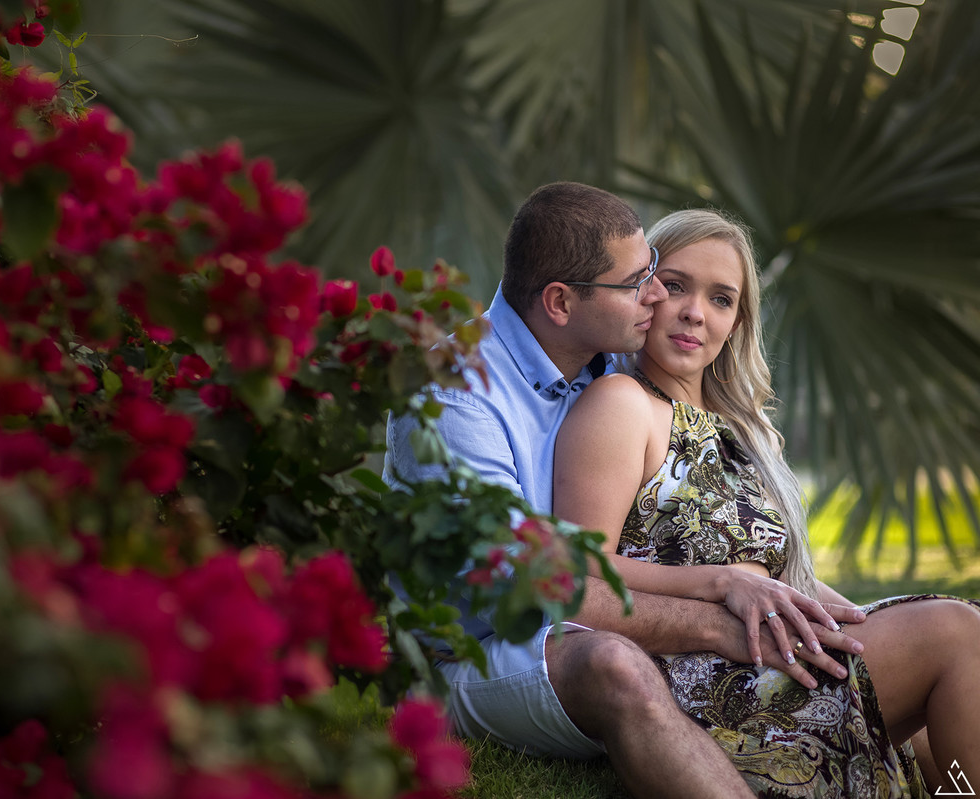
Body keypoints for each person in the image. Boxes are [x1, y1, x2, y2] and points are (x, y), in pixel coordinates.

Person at [385, 183, 866, 798]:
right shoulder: (455, 397)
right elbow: (533, 590)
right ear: (561, 302)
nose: (657, 296)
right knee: (614, 663)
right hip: (472, 656)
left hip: (579, 621)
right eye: (639, 282)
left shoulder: (608, 361)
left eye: (653, 272)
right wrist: (717, 614)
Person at [553, 207, 980, 797]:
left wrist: (862, 620)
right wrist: (719, 581)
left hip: (782, 653)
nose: (695, 312)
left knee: (942, 728)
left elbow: (779, 576)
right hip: (715, 681)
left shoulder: (743, 430)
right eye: (675, 285)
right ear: (643, 293)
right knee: (956, 632)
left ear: (737, 321)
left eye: (721, 299)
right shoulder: (622, 404)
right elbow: (577, 569)